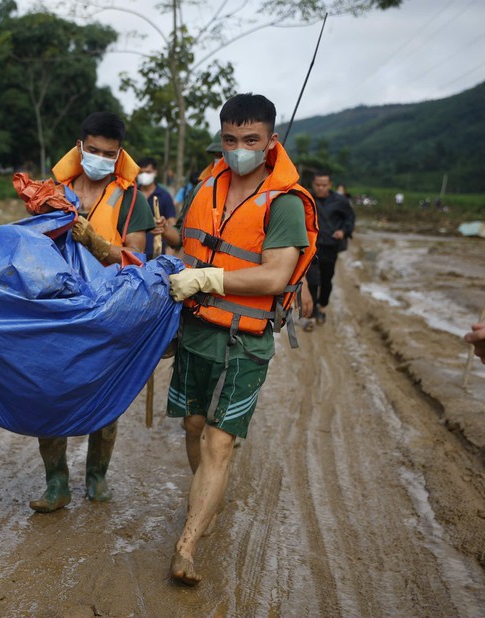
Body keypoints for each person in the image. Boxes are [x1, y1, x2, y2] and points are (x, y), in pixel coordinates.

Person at [165, 93, 317, 585]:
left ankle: (186, 547)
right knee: (192, 426)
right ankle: (207, 499)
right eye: (230, 140)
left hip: (243, 340)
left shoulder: (286, 202)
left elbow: (275, 276)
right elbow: (190, 242)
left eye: (250, 140)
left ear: (271, 141)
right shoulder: (207, 185)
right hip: (194, 329)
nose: (239, 149)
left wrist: (208, 278)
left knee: (219, 442)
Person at [28, 111, 155, 513]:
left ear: (120, 156)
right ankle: (56, 483)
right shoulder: (53, 191)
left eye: (109, 153)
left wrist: (98, 244)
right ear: (80, 147)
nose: (99, 158)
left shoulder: (132, 198)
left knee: (107, 394)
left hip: (110, 309)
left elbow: (140, 256)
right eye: (93, 150)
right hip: (57, 305)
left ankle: (97, 476)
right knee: (48, 394)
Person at [306, 170, 355, 325]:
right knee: (312, 280)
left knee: (326, 280)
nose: (320, 188)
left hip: (329, 246)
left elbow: (350, 218)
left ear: (330, 185)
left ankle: (323, 306)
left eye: (324, 185)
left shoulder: (340, 201)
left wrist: (343, 231)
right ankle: (312, 314)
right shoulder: (306, 198)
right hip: (310, 247)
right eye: (317, 185)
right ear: (313, 184)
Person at [136, 156, 178, 256]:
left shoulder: (164, 196)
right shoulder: (132, 194)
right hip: (134, 252)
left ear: (155, 172)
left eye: (148, 172)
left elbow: (173, 225)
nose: (144, 175)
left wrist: (165, 230)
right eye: (141, 172)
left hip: (156, 253)